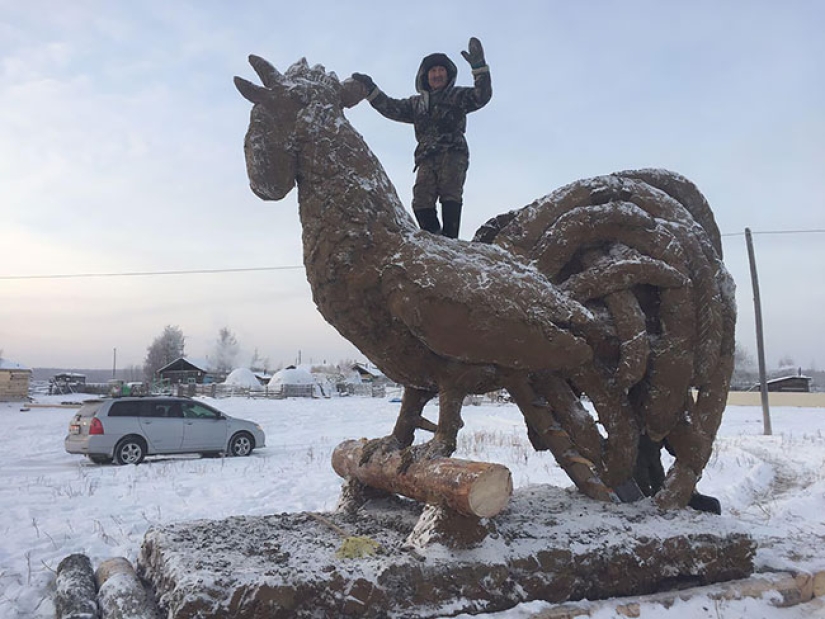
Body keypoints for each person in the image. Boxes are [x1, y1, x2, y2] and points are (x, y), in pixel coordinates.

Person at [351, 37, 491, 239]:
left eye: (441, 70)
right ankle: (436, 239)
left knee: (450, 195)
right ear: (425, 76)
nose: (437, 74)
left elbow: (482, 96)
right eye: (433, 71)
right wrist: (370, 90)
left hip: (453, 152)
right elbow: (391, 108)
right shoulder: (416, 104)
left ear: (448, 74)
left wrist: (479, 69)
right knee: (421, 202)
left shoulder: (457, 95)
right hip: (426, 157)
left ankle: (451, 241)